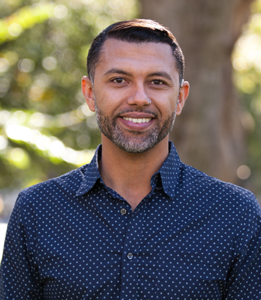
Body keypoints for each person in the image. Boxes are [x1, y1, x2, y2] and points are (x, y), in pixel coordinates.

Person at [0, 19, 261, 300]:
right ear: (90, 93)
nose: (139, 98)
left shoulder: (236, 214)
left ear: (180, 98)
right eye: (119, 80)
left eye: (157, 82)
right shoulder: (38, 210)